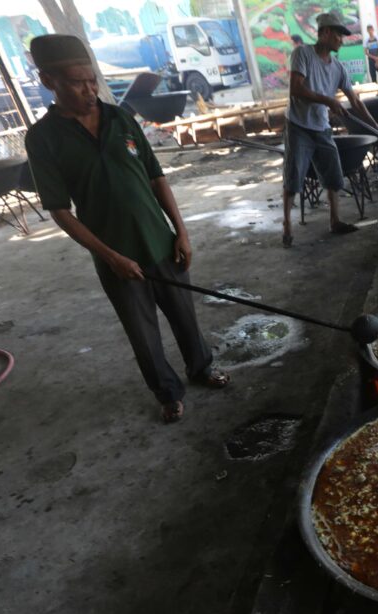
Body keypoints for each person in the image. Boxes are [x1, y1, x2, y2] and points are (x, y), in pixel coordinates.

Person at [24, 34, 230, 424]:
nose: (89, 90)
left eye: (91, 80)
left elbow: (156, 177)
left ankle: (201, 368)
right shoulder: (43, 138)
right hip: (115, 256)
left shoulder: (120, 118)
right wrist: (112, 257)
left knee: (185, 317)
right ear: (49, 81)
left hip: (161, 243)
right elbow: (60, 211)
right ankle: (167, 392)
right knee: (143, 334)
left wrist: (181, 232)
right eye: (75, 82)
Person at [282, 12, 378, 247]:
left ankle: (334, 221)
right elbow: (296, 89)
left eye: (343, 36)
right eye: (337, 35)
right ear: (323, 33)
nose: (341, 40)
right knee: (294, 177)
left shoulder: (338, 68)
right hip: (299, 126)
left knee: (333, 174)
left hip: (321, 128)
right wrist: (329, 101)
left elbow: (355, 102)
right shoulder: (302, 54)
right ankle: (287, 226)